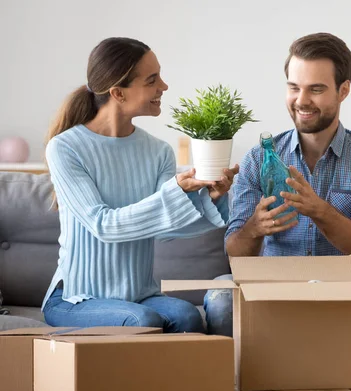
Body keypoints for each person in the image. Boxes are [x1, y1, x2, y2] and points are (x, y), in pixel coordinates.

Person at [203, 32, 351, 336]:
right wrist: (254, 228)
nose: (302, 101)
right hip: (270, 291)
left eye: (316, 89)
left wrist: (319, 210)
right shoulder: (258, 158)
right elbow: (235, 254)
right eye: (294, 87)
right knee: (219, 297)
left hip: (337, 292)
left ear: (343, 90)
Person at [42, 37, 238, 333]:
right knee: (142, 321)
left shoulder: (158, 151)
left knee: (187, 316)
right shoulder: (66, 148)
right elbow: (103, 225)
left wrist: (209, 197)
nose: (164, 86)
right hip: (75, 298)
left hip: (139, 296)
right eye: (152, 80)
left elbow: (166, 228)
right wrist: (174, 192)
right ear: (118, 92)